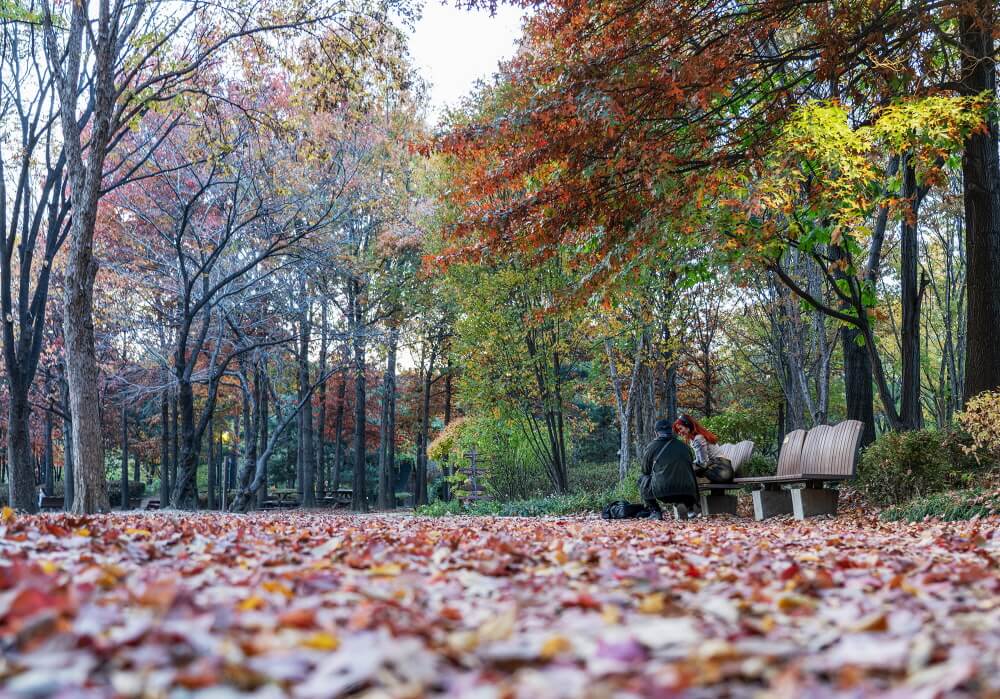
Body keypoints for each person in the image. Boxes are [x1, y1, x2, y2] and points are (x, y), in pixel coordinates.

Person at [639, 418, 699, 520]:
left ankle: (655, 511)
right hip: (688, 491)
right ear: (671, 430)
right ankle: (690, 508)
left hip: (663, 493)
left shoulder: (651, 447)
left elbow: (645, 470)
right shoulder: (684, 446)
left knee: (643, 479)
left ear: (656, 433)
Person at [673, 413, 734, 484]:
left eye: (680, 428)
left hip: (721, 471)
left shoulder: (698, 438)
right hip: (723, 469)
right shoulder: (695, 438)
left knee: (685, 471)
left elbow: (703, 463)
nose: (680, 432)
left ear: (688, 425)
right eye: (678, 431)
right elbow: (700, 461)